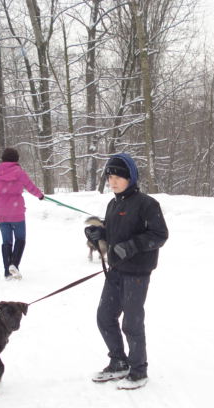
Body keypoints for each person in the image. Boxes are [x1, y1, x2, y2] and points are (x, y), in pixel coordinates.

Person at [84, 153, 169, 390]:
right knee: (104, 317)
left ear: (130, 177)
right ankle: (119, 362)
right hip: (115, 271)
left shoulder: (147, 204)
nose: (113, 181)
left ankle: (139, 370)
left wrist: (132, 246)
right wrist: (99, 234)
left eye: (118, 177)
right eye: (110, 176)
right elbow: (113, 233)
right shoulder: (113, 204)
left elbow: (160, 235)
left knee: (132, 322)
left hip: (137, 274)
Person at [0, 147, 44, 280]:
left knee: (6, 241)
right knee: (20, 239)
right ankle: (14, 264)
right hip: (16, 212)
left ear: (3, 159)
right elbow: (30, 187)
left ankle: (7, 272)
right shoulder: (19, 172)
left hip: (1, 213)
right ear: (16, 159)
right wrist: (40, 195)